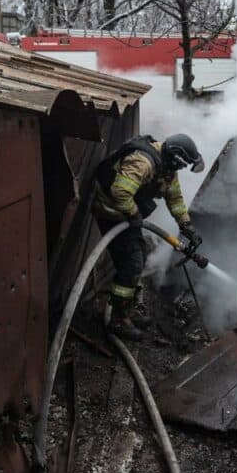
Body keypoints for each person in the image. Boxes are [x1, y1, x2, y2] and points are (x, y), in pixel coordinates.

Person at [94, 133, 204, 340]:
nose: (181, 169)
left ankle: (128, 309)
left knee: (140, 256)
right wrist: (134, 214)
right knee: (132, 264)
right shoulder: (142, 162)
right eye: (182, 165)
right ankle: (118, 320)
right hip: (111, 212)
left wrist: (187, 226)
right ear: (175, 156)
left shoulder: (166, 167)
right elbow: (120, 193)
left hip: (126, 215)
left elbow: (175, 198)